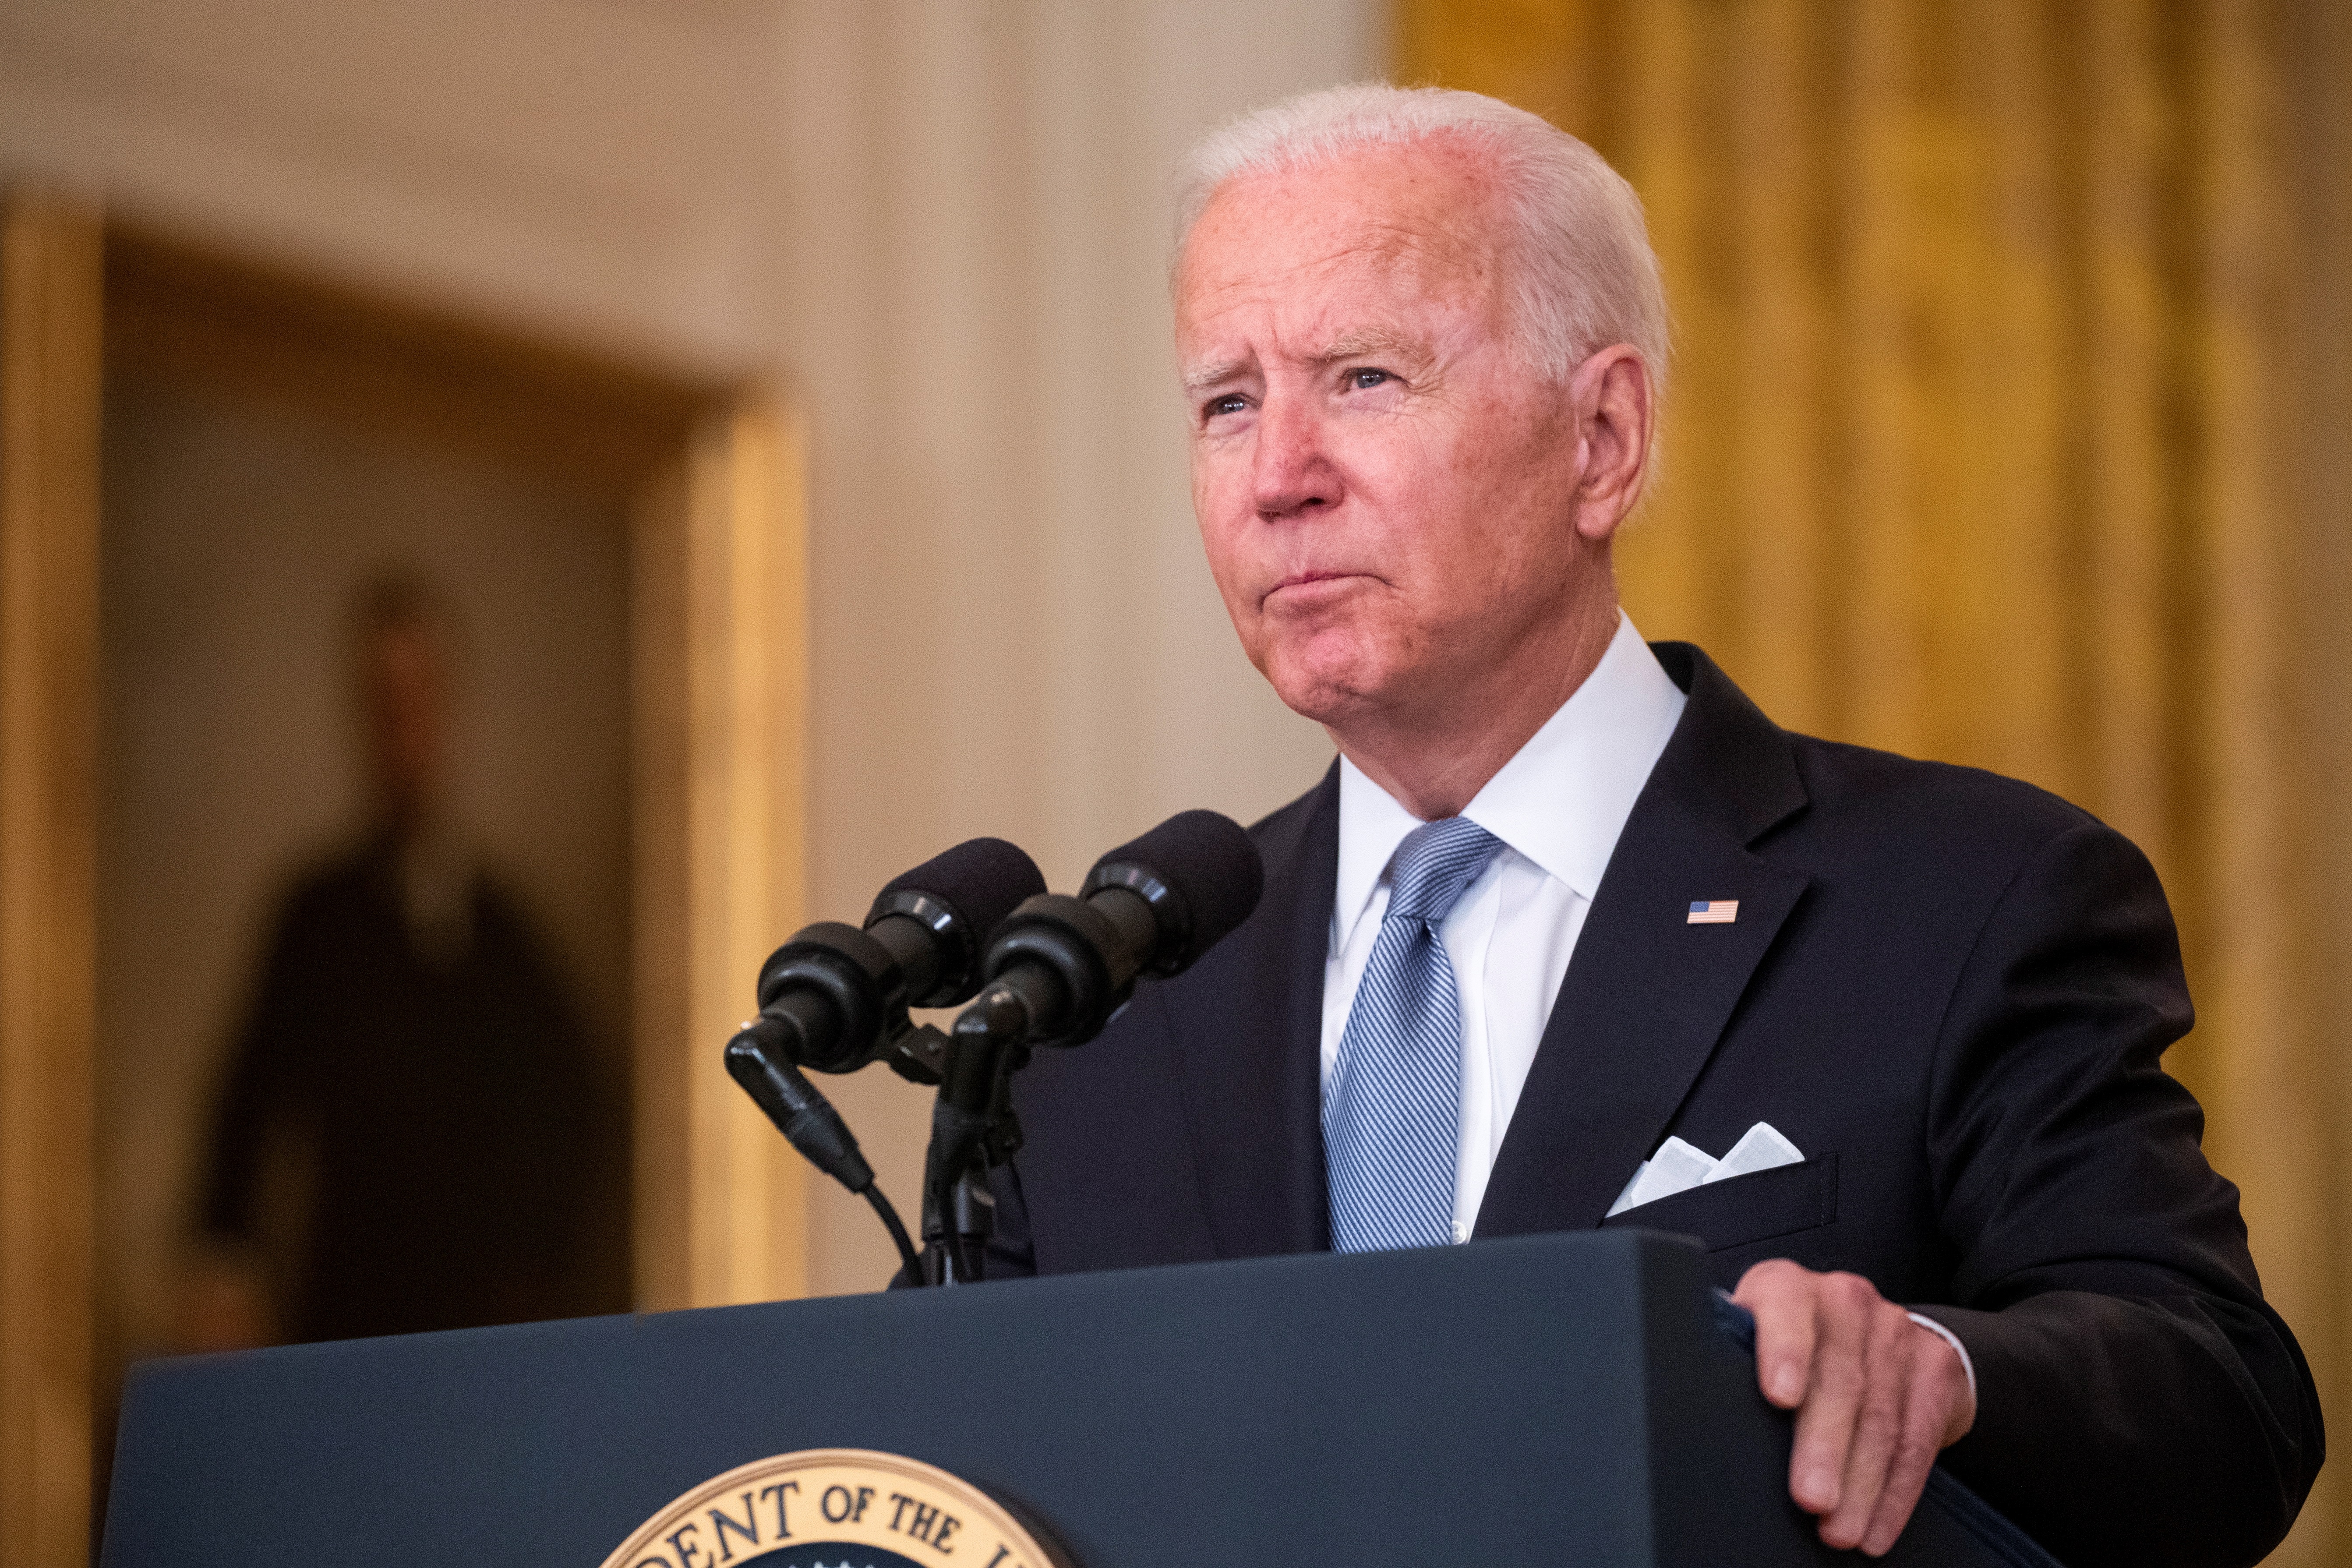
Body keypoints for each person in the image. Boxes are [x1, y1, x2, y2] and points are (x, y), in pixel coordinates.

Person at [982, 84, 2322, 1567]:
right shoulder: (1095, 1018)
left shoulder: (1967, 900)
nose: (1278, 476)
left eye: (1362, 379)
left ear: (1603, 438)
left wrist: (1938, 1373)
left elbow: (2223, 1403)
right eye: (1227, 401)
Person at [186, 573, 622, 1348]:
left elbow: (575, 1104)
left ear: (449, 709)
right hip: (345, 1320)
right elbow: (246, 1102)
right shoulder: (313, 916)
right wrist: (225, 1263)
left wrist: (533, 1274)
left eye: (417, 700)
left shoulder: (504, 933)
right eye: (383, 704)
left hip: (478, 1332)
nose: (402, 726)